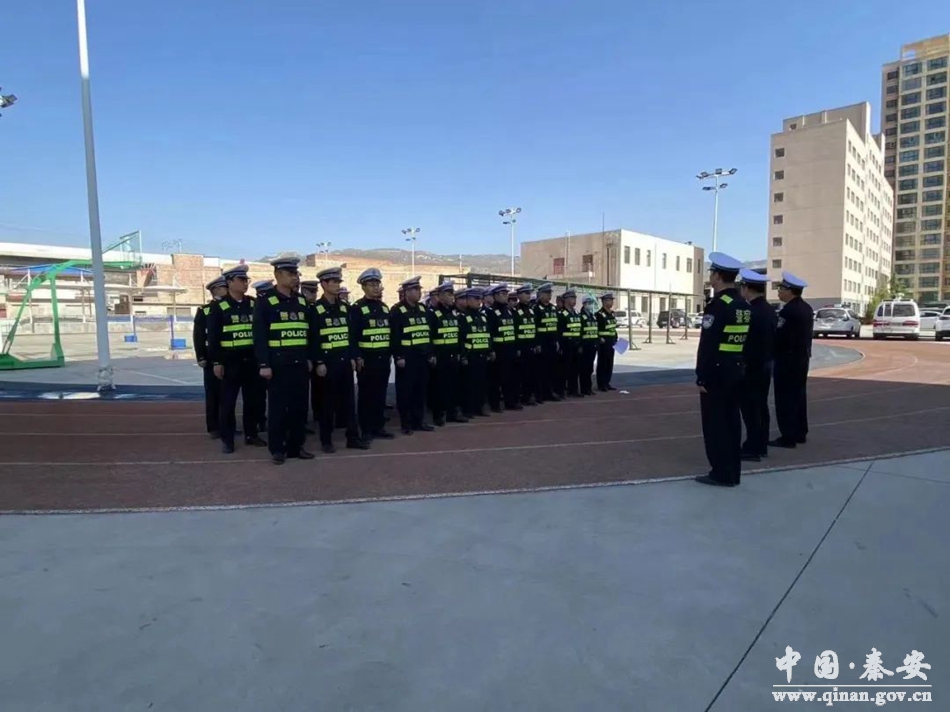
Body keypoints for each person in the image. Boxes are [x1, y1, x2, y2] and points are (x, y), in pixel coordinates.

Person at [694, 252, 751, 488]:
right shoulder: (743, 305)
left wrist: (701, 376)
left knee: (716, 425)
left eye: (711, 273)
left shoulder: (718, 305)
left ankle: (721, 472)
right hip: (736, 370)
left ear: (717, 276)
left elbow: (708, 345)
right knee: (732, 422)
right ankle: (733, 471)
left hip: (717, 374)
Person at [252, 254, 316, 464]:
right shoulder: (265, 301)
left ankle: (297, 446)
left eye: (296, 273)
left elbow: (308, 333)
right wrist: (264, 364)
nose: (295, 277)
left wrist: (309, 358)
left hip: (299, 363)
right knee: (278, 409)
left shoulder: (301, 300)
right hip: (278, 365)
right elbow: (260, 336)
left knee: (300, 408)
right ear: (278, 275)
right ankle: (277, 449)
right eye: (290, 273)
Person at [206, 264, 265, 453]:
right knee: (228, 403)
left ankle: (251, 434)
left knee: (253, 401)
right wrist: (217, 362)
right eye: (241, 280)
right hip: (230, 362)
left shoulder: (253, 304)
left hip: (251, 361)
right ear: (230, 282)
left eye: (246, 280)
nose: (245, 283)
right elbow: (213, 337)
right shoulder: (219, 306)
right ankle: (228, 439)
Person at [311, 267, 369, 453]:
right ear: (324, 284)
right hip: (327, 364)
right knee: (327, 404)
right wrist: (319, 362)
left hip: (344, 362)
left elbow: (350, 335)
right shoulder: (316, 309)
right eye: (333, 282)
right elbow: (313, 339)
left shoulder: (344, 308)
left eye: (338, 282)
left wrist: (354, 356)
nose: (337, 285)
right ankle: (326, 440)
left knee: (349, 403)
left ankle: (353, 438)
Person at [770, 271, 813, 449]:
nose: (779, 291)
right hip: (801, 359)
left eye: (781, 288)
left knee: (785, 398)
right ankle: (800, 432)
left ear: (790, 290)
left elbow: (779, 336)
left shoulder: (788, 311)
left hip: (787, 360)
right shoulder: (806, 308)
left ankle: (788, 436)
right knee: (799, 396)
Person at [738, 269, 777, 462]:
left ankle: (752, 447)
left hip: (752, 366)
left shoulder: (750, 312)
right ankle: (761, 444)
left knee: (750, 408)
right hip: (766, 363)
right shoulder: (769, 310)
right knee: (761, 406)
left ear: (747, 288)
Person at [352, 268, 395, 441]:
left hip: (383, 359)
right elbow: (353, 336)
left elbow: (389, 333)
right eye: (372, 284)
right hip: (367, 360)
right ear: (363, 287)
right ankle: (366, 429)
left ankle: (379, 426)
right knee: (366, 396)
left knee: (380, 395)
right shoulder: (357, 308)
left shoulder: (384, 308)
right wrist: (358, 356)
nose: (376, 287)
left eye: (377, 284)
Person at [390, 276, 435, 434]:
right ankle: (406, 423)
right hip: (407, 358)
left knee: (420, 391)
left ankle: (419, 421)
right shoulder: (397, 310)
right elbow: (395, 336)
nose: (418, 292)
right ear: (407, 292)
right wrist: (399, 356)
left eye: (419, 289)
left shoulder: (423, 309)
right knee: (406, 392)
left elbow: (428, 333)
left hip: (422, 357)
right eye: (415, 290)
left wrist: (430, 353)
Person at [428, 281, 467, 425]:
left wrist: (460, 352)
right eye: (449, 294)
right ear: (440, 296)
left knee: (454, 386)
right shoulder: (433, 314)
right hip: (440, 356)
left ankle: (453, 412)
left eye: (452, 294)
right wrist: (432, 354)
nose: (452, 297)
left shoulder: (453, 313)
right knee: (439, 387)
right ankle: (439, 415)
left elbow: (459, 335)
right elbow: (429, 336)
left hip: (453, 355)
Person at [194, 276, 228, 439]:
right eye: (224, 288)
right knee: (213, 394)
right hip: (210, 357)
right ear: (216, 290)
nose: (227, 290)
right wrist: (201, 356)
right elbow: (199, 335)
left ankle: (227, 425)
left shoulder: (229, 308)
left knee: (227, 395)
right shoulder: (205, 310)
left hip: (227, 356)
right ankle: (213, 427)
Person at [457, 288, 492, 417]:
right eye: (476, 299)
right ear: (468, 300)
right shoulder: (463, 317)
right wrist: (463, 355)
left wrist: (489, 350)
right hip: (470, 355)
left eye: (480, 299)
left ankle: (480, 406)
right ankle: (468, 409)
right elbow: (461, 339)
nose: (479, 301)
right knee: (469, 384)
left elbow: (487, 335)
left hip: (482, 354)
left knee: (481, 383)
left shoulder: (482, 317)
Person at [487, 283, 521, 411]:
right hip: (499, 350)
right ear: (495, 296)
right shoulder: (491, 312)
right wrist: (491, 350)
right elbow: (489, 333)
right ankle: (495, 404)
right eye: (503, 294)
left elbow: (514, 331)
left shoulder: (509, 311)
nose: (506, 296)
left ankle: (510, 402)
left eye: (506, 293)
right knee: (496, 379)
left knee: (510, 378)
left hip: (510, 349)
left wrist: (516, 348)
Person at [251, 279, 274, 433]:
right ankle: (259, 421)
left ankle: (263, 422)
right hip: (257, 357)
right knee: (258, 395)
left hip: (271, 357)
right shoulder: (259, 305)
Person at [299, 279, 322, 434]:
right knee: (301, 392)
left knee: (318, 388)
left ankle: (317, 415)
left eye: (316, 291)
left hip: (315, 354)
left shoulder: (314, 308)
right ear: (304, 292)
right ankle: (300, 422)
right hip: (302, 355)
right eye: (311, 292)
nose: (314, 295)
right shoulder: (300, 308)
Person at [533, 283, 561, 402]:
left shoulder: (552, 308)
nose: (549, 296)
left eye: (550, 293)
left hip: (552, 343)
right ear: (540, 294)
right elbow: (534, 328)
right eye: (546, 293)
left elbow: (556, 326)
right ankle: (540, 394)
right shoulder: (536, 308)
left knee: (551, 369)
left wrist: (557, 341)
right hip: (542, 343)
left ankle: (549, 392)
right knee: (541, 370)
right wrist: (537, 343)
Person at [513, 283, 539, 406]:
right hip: (521, 347)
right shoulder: (515, 311)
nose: (529, 296)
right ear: (519, 295)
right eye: (526, 293)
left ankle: (528, 396)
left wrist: (536, 344)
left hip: (530, 347)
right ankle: (521, 396)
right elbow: (514, 331)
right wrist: (517, 347)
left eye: (529, 293)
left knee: (530, 373)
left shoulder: (531, 311)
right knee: (520, 374)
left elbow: (534, 329)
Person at [558, 289, 583, 397]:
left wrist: (580, 343)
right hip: (566, 345)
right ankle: (562, 390)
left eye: (575, 298)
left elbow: (580, 329)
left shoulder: (576, 313)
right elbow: (559, 331)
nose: (574, 300)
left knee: (575, 369)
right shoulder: (561, 314)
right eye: (572, 298)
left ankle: (573, 390)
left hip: (576, 344)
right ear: (566, 299)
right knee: (564, 369)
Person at [595, 292, 618, 391]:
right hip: (604, 342)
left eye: (612, 300)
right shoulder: (599, 314)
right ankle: (601, 384)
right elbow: (596, 328)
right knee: (602, 363)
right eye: (610, 300)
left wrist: (616, 338)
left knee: (609, 363)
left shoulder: (612, 314)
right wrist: (599, 338)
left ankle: (607, 382)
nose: (612, 302)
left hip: (612, 341)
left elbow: (613, 328)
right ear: (604, 301)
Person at [579, 296, 599, 396]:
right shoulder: (581, 316)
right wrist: (580, 345)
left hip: (592, 345)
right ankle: (584, 388)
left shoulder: (592, 316)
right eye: (589, 303)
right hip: (585, 345)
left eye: (592, 303)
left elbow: (595, 330)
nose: (591, 305)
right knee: (584, 368)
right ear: (584, 304)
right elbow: (580, 332)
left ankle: (588, 388)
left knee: (590, 368)